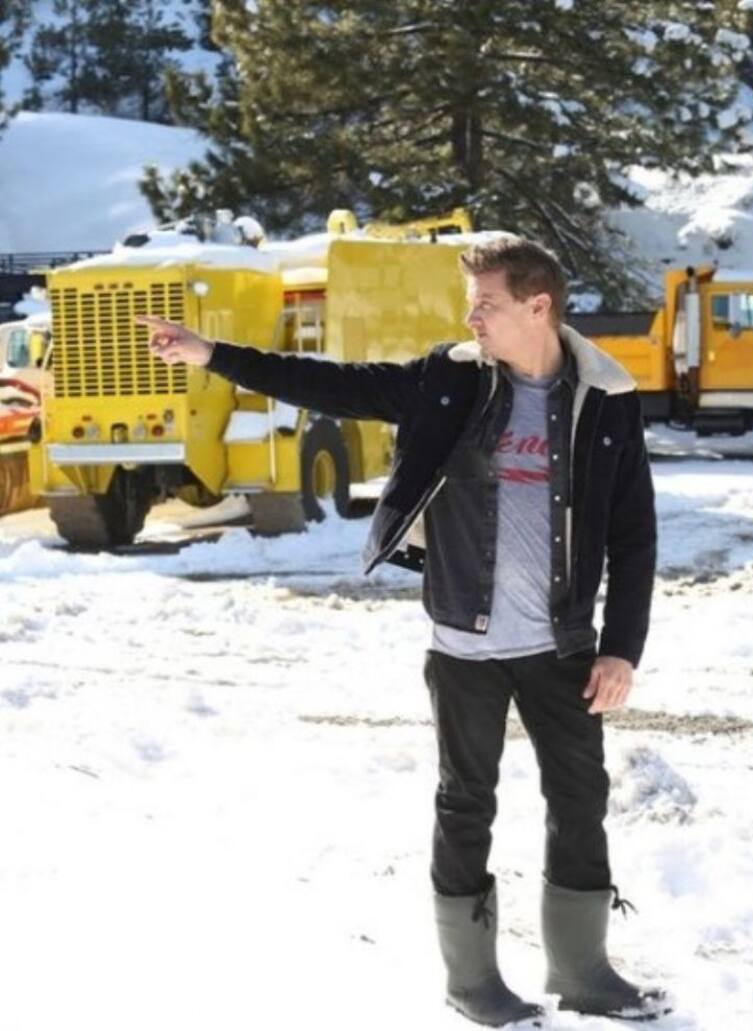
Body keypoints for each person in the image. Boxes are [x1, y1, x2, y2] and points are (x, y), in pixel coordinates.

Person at [139, 236, 670, 1026]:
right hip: (463, 645)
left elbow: (633, 531)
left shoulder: (606, 398)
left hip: (561, 645)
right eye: (470, 304)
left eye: (486, 304)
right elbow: (334, 382)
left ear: (538, 306)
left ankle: (583, 969)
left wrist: (622, 646)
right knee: (466, 804)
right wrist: (212, 353)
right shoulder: (450, 379)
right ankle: (472, 979)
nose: (471, 317)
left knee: (580, 798)